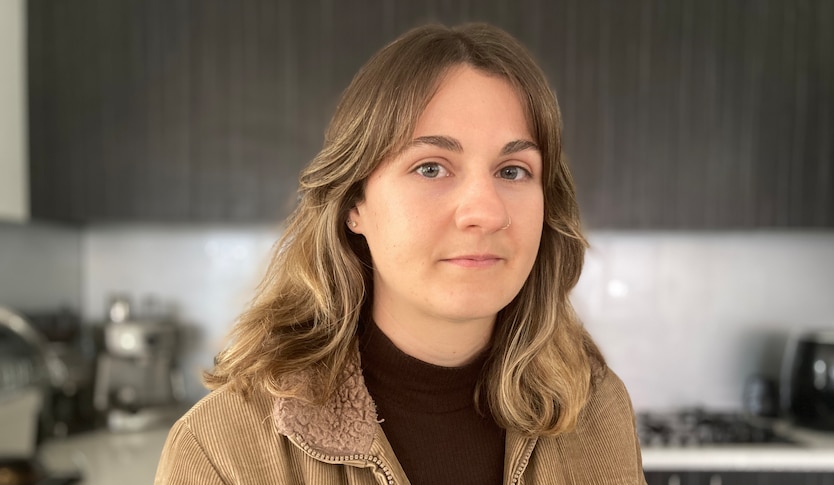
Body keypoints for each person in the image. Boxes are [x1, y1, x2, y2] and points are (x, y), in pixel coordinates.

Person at [155, 22, 645, 485]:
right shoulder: (223, 453)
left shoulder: (595, 410)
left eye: (513, 171)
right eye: (431, 168)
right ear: (354, 205)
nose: (486, 212)